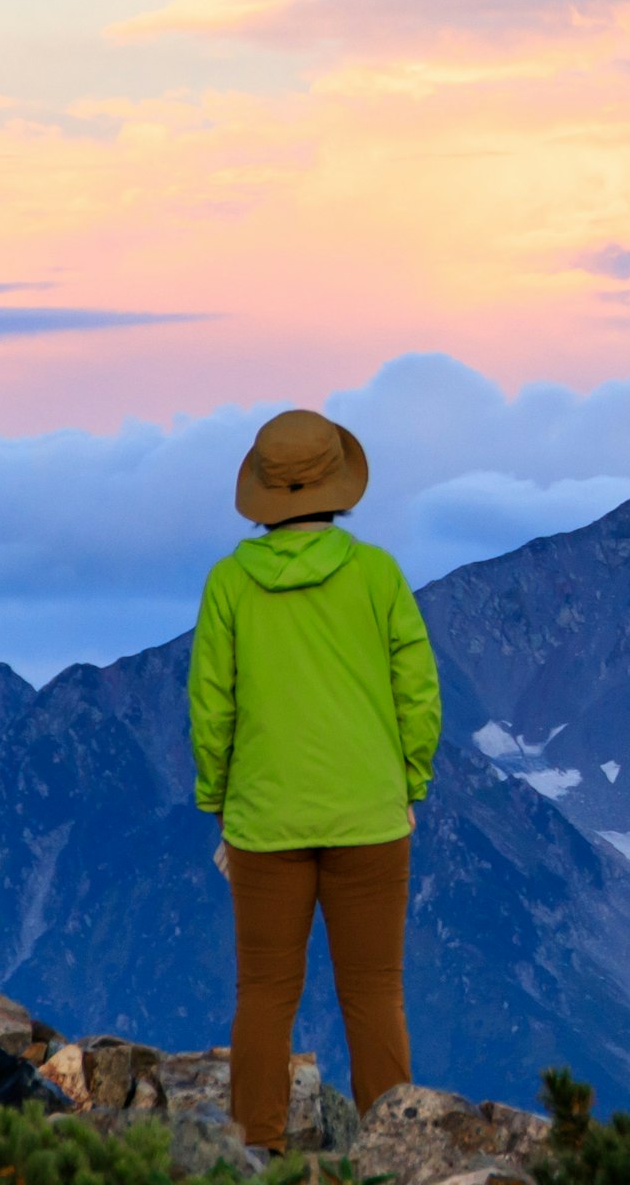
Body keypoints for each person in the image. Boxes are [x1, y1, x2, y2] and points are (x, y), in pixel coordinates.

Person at [189, 408, 440, 1151]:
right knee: (375, 995)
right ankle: (394, 1154)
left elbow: (212, 707)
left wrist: (220, 803)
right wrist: (409, 785)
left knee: (264, 994)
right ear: (338, 485)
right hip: (370, 816)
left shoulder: (230, 584)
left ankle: (255, 1150)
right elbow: (418, 693)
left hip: (265, 822)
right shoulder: (377, 575)